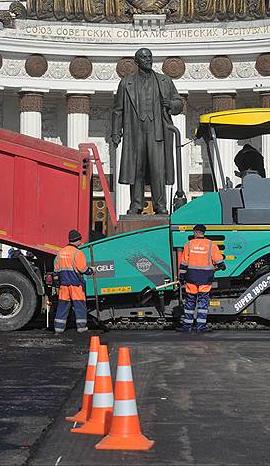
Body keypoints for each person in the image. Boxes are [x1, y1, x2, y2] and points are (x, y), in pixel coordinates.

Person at [110, 48, 182, 215]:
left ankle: (160, 205)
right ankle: (136, 205)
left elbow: (179, 103)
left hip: (158, 132)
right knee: (137, 170)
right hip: (135, 132)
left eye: (150, 57)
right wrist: (115, 133)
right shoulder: (126, 83)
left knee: (158, 170)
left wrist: (171, 104)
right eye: (144, 58)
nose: (148, 60)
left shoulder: (164, 81)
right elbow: (117, 110)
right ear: (136, 62)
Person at [177, 224, 226, 333]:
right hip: (205, 278)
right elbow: (220, 262)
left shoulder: (188, 245)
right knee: (203, 303)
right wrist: (220, 266)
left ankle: (187, 327)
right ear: (204, 232)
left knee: (190, 302)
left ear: (195, 232)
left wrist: (181, 276)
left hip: (191, 278)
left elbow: (184, 263)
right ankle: (200, 327)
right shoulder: (211, 245)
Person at [53, 229, 93, 334]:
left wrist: (57, 281)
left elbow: (56, 271)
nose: (81, 242)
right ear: (77, 240)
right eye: (80, 240)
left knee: (62, 306)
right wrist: (91, 270)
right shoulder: (77, 253)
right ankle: (81, 327)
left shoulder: (60, 252)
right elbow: (82, 269)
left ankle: (58, 328)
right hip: (76, 285)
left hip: (64, 285)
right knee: (79, 306)